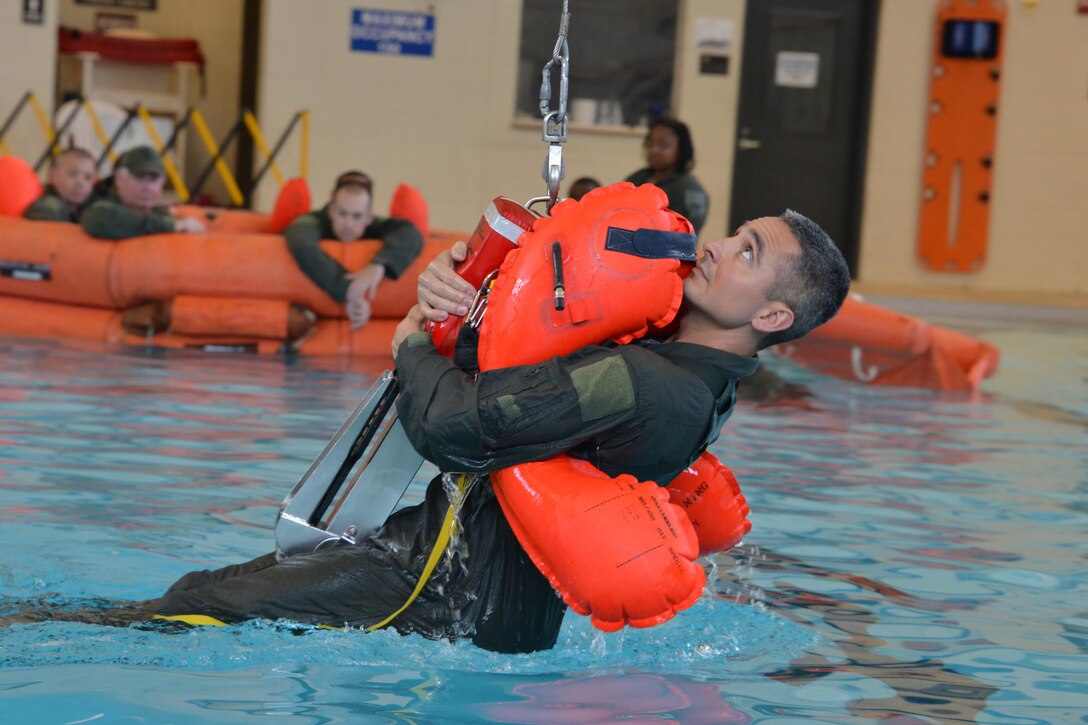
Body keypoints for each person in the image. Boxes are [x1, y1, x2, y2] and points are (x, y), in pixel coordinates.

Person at [4, 203, 849, 655]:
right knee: (200, 591)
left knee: (201, 608)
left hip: (445, 602)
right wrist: (456, 291)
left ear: (773, 312)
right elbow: (533, 361)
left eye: (745, 252)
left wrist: (412, 341)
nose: (716, 246)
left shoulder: (651, 386)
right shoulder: (694, 374)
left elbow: (454, 425)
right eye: (736, 233)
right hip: (447, 570)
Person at [284, 171, 425, 330]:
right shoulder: (312, 221)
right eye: (342, 213)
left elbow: (410, 233)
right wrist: (350, 290)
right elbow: (299, 238)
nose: (348, 224)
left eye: (356, 216)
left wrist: (378, 265)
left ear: (368, 218)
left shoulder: (373, 224)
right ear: (331, 210)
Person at [80, 145, 206, 239]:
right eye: (139, 178)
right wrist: (171, 226)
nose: (148, 188)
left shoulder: (161, 216)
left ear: (162, 182)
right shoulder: (99, 207)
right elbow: (99, 219)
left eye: (153, 179)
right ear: (119, 178)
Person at [625, 117, 709, 234]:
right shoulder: (638, 177)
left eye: (663, 145)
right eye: (650, 143)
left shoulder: (690, 190)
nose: (653, 150)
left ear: (681, 150)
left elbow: (685, 234)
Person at [23, 147, 99, 223]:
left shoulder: (95, 206)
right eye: (73, 174)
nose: (80, 183)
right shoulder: (45, 205)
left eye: (88, 177)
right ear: (54, 175)